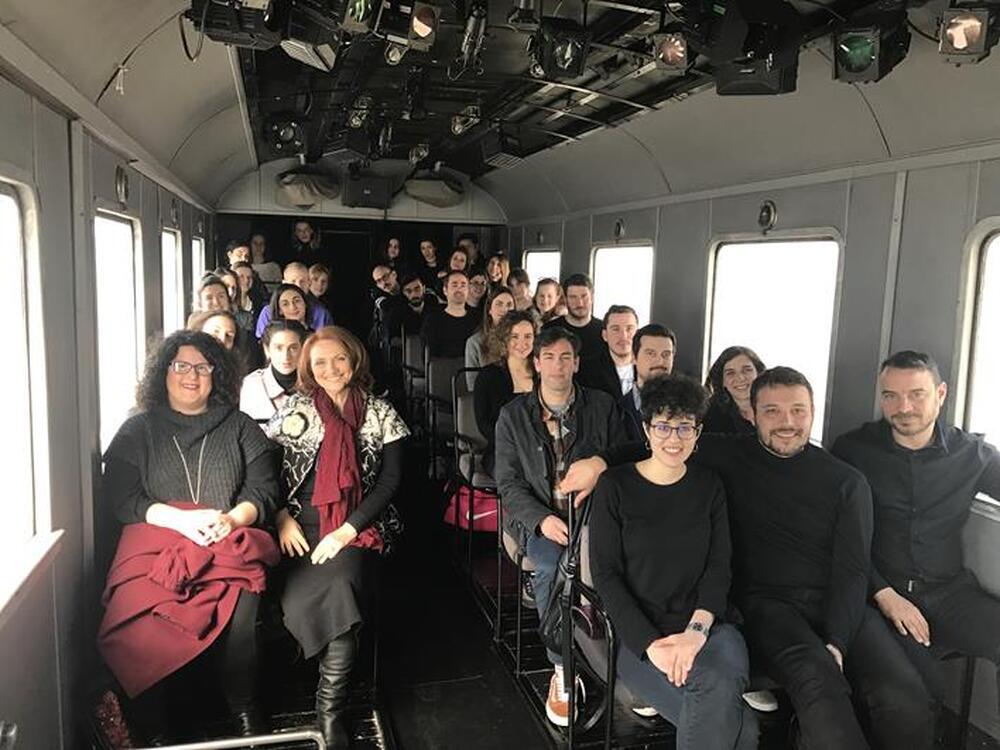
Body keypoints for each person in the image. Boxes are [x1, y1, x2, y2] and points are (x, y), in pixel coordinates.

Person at [559, 366, 935, 750]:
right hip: (769, 605)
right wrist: (599, 462)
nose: (787, 422)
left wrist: (838, 639)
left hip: (838, 602)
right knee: (812, 684)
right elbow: (660, 442)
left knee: (904, 697)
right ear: (752, 414)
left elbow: (853, 569)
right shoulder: (724, 455)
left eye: (798, 410)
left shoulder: (847, 481)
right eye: (772, 411)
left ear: (813, 413)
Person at [97, 331, 279, 743]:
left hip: (226, 541)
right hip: (157, 542)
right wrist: (180, 521)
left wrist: (231, 520)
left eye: (202, 367)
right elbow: (122, 499)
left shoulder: (240, 426)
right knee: (138, 620)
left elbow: (263, 491)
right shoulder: (137, 429)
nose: (191, 375)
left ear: (217, 375)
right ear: (163, 372)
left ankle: (245, 710)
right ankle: (155, 729)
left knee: (241, 620)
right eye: (181, 365)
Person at [589, 375, 757, 749]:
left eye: (685, 427)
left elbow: (719, 565)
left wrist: (696, 632)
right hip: (642, 637)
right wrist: (651, 644)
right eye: (663, 426)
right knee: (743, 730)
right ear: (647, 430)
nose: (674, 438)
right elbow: (606, 575)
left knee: (722, 705)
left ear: (698, 434)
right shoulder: (614, 486)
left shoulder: (709, 485)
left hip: (710, 629)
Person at [831, 350, 1000, 708]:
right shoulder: (852, 451)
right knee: (914, 692)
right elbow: (835, 536)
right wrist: (883, 592)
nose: (903, 407)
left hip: (950, 593)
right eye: (890, 395)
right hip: (878, 594)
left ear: (941, 394)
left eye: (916, 394)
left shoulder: (972, 453)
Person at [266, 326, 409, 746]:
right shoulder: (294, 410)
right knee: (299, 596)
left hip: (357, 525)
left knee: (342, 587)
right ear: (309, 368)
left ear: (354, 360)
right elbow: (264, 473)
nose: (331, 369)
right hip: (297, 526)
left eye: (339, 359)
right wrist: (281, 518)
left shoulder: (380, 412)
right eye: (320, 362)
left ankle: (329, 712)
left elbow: (390, 483)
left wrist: (347, 531)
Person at [493, 326, 630, 727]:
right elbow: (508, 483)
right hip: (538, 518)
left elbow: (628, 453)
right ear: (536, 363)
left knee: (620, 562)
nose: (557, 366)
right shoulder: (512, 416)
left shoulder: (602, 406)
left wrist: (601, 463)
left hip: (595, 516)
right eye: (549, 358)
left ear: (577, 363)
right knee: (555, 565)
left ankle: (627, 660)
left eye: (565, 358)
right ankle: (562, 667)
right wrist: (542, 519)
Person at [473, 310, 537, 475]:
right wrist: (514, 443)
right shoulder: (488, 376)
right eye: (515, 336)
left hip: (539, 449)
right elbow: (483, 423)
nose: (522, 343)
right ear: (504, 339)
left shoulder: (543, 374)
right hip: (502, 451)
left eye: (528, 336)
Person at [240, 320, 308, 424]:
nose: (286, 356)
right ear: (267, 349)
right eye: (278, 348)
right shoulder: (251, 385)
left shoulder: (314, 384)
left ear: (303, 349)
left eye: (293, 348)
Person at [620, 324, 676, 441]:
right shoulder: (617, 410)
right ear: (633, 357)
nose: (660, 361)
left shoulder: (687, 407)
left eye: (666, 354)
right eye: (650, 353)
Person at [703, 346, 765, 435]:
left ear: (758, 373)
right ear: (722, 380)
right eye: (730, 373)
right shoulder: (709, 416)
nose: (740, 378)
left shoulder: (779, 406)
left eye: (747, 370)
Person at [578, 305, 638, 397]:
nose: (623, 336)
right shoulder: (586, 370)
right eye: (616, 329)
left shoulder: (650, 367)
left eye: (629, 328)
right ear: (605, 335)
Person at [542, 274, 604, 362]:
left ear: (592, 297)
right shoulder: (549, 329)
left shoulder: (604, 330)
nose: (580, 303)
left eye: (584, 296)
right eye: (573, 297)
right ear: (565, 299)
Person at [255, 268, 333, 338]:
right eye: (285, 304)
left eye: (297, 301)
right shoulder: (267, 312)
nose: (293, 307)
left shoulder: (322, 313)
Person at [421, 270, 479, 358]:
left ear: (468, 291)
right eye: (454, 285)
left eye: (463, 285)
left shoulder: (477, 320)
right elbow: (428, 357)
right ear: (445, 290)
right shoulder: (432, 320)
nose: (459, 289)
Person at [464, 287, 515, 386]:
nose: (505, 310)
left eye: (509, 305)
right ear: (489, 310)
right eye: (499, 304)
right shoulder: (475, 342)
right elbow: (472, 384)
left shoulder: (521, 340)